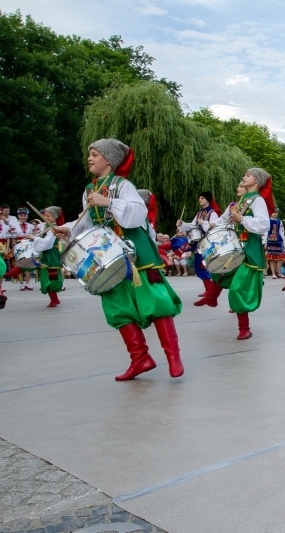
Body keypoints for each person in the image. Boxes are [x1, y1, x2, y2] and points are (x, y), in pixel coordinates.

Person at [52, 138, 184, 380]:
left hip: (135, 252)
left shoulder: (122, 185)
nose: (89, 158)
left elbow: (138, 213)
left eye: (95, 154)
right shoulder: (89, 190)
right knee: (116, 308)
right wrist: (69, 229)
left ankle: (173, 356)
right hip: (105, 253)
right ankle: (140, 358)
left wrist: (108, 202)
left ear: (109, 160)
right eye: (89, 154)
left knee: (155, 301)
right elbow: (87, 222)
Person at [199, 169, 274, 339]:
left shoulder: (257, 200)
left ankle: (244, 328)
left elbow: (264, 224)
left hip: (249, 248)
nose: (243, 177)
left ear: (257, 181)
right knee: (219, 268)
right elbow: (227, 219)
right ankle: (211, 297)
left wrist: (242, 219)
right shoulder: (242, 200)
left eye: (248, 175)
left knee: (239, 287)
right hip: (235, 244)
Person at [177, 192, 221, 302]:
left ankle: (210, 291)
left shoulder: (212, 213)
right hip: (198, 243)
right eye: (199, 198)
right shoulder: (199, 213)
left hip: (207, 243)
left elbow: (213, 229)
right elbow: (192, 226)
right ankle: (208, 290)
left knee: (203, 266)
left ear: (208, 200)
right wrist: (182, 224)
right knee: (198, 265)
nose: (200, 200)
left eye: (202, 198)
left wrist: (203, 223)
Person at [31, 206, 64, 308]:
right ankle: (54, 299)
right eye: (44, 215)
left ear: (55, 217)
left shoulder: (54, 229)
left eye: (48, 216)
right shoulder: (46, 227)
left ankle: (55, 299)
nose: (46, 217)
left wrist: (34, 238)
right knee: (46, 276)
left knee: (50, 276)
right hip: (46, 254)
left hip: (51, 255)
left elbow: (46, 244)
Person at [265, 208, 285, 279]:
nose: (274, 213)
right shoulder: (267, 221)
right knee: (271, 258)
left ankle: (279, 273)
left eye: (276, 212)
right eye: (273, 212)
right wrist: (264, 242)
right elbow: (265, 232)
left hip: (278, 241)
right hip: (270, 241)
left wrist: (284, 242)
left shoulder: (279, 221)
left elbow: (281, 232)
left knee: (280, 257)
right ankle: (273, 273)